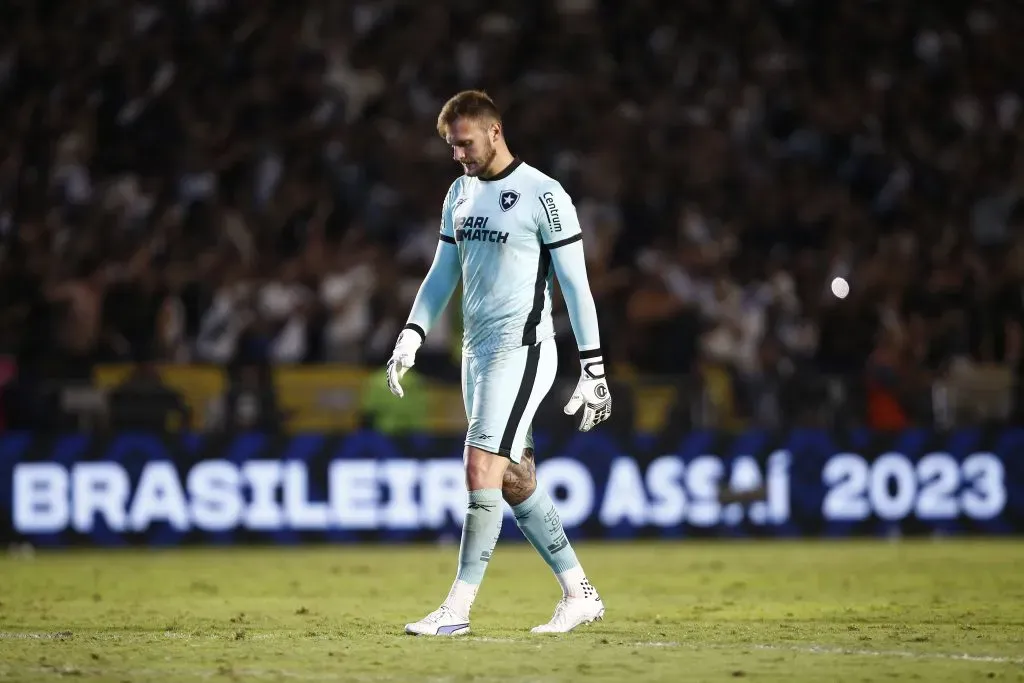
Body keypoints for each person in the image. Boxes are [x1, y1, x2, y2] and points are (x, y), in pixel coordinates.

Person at [386, 90, 611, 636]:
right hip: (477, 356)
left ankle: (456, 610)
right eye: (450, 146)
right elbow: (443, 272)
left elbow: (576, 285)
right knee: (513, 478)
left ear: (494, 131)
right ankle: (580, 593)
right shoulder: (459, 192)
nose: (457, 154)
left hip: (524, 351)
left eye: (464, 143)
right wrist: (413, 333)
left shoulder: (543, 194)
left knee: (479, 464)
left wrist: (594, 367)